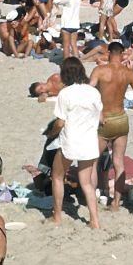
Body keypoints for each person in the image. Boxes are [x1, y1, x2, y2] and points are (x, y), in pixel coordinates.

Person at [89, 41, 133, 211]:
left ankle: (92, 198)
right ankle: (116, 203)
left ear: (108, 53)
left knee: (92, 161)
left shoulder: (100, 71)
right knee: (119, 162)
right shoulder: (127, 73)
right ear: (122, 54)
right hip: (121, 119)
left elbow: (89, 91)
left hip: (104, 119)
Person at [50, 57, 103, 228]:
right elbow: (100, 116)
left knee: (57, 176)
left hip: (70, 141)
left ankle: (57, 216)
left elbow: (59, 122)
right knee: (86, 183)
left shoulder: (65, 93)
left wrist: (51, 134)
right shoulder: (93, 92)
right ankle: (94, 220)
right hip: (89, 140)